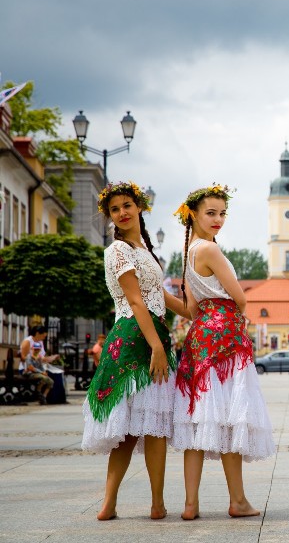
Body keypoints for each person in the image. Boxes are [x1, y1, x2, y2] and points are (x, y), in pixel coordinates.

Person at [82, 181, 189, 521]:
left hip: (154, 332)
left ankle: (157, 503)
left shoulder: (144, 251)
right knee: (128, 431)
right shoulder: (117, 251)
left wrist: (205, 311)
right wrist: (157, 346)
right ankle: (109, 502)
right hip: (132, 337)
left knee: (153, 426)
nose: (122, 212)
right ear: (110, 216)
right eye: (115, 209)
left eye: (127, 205)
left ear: (139, 207)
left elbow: (162, 297)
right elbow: (134, 300)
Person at [171, 185, 275, 520]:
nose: (218, 219)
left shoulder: (188, 251)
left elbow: (189, 309)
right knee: (231, 416)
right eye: (210, 213)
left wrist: (156, 298)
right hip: (225, 336)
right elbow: (239, 297)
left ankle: (190, 503)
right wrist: (238, 310)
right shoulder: (210, 251)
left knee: (199, 418)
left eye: (222, 213)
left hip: (200, 336)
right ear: (194, 215)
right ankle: (238, 500)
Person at [23, 339, 54, 404]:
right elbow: (31, 368)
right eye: (35, 349)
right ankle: (38, 391)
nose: (36, 351)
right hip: (30, 374)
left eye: (38, 349)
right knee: (44, 378)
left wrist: (44, 371)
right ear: (32, 349)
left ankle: (44, 396)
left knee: (51, 381)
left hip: (38, 373)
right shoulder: (29, 357)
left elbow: (41, 367)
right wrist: (41, 372)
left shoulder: (39, 357)